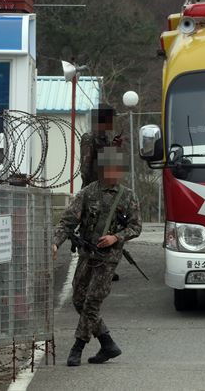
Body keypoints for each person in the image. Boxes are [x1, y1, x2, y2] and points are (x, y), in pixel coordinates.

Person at [52, 146, 142, 367]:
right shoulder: (88, 193)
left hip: (109, 258)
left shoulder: (128, 196)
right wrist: (55, 243)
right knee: (78, 300)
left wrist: (116, 238)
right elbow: (67, 221)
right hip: (87, 253)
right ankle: (107, 343)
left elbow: (136, 227)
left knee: (92, 302)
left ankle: (77, 348)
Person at [79, 103, 124, 281]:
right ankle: (87, 270)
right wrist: (93, 190)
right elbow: (86, 167)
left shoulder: (105, 138)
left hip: (106, 189)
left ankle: (103, 268)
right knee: (90, 232)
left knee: (106, 229)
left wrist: (114, 147)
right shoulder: (89, 138)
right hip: (93, 191)